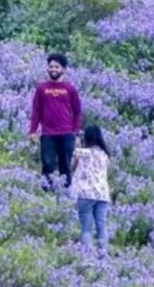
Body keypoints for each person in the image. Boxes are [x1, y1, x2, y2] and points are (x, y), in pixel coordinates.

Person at [28, 52, 82, 190]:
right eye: (51, 66)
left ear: (63, 69)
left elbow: (77, 112)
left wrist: (75, 133)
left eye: (56, 67)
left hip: (67, 133)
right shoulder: (41, 88)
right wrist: (33, 131)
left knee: (66, 167)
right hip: (47, 134)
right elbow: (36, 111)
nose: (53, 69)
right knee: (48, 165)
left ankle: (66, 194)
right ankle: (46, 194)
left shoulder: (70, 89)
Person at [72, 125, 111, 257]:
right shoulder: (105, 155)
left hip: (86, 194)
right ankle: (103, 254)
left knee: (86, 228)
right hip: (103, 194)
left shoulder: (83, 153)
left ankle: (88, 256)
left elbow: (72, 155)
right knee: (102, 226)